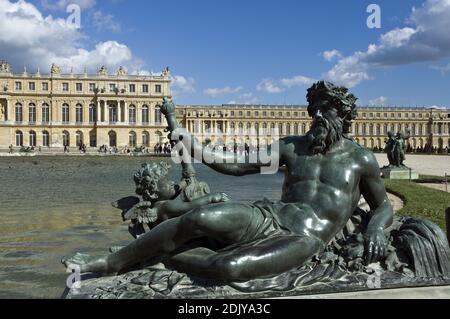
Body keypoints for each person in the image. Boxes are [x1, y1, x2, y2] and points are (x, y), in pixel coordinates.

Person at [63, 81, 393, 283]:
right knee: (197, 217)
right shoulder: (294, 147)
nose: (318, 118)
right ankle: (113, 261)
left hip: (305, 238)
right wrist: (191, 144)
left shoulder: (360, 159)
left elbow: (383, 206)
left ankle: (160, 255)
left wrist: (377, 228)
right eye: (315, 111)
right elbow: (235, 166)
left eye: (327, 111)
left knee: (231, 267)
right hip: (270, 217)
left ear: (345, 115)